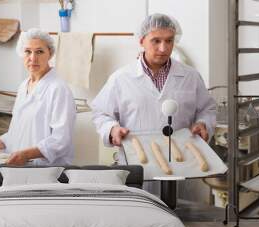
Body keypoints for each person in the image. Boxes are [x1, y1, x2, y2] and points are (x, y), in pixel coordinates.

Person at [91, 14, 216, 195]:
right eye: (156, 41)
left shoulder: (190, 76)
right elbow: (101, 113)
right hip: (137, 166)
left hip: (182, 166)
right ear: (142, 40)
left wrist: (203, 124)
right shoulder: (121, 78)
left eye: (169, 41)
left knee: (182, 217)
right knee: (139, 218)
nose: (163, 48)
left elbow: (207, 108)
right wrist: (111, 129)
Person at [0, 28, 76, 166]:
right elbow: (15, 133)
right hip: (20, 165)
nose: (33, 58)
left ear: (50, 54)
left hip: (46, 170)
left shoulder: (58, 89)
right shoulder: (24, 86)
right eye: (28, 51)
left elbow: (61, 139)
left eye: (39, 52)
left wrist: (26, 155)